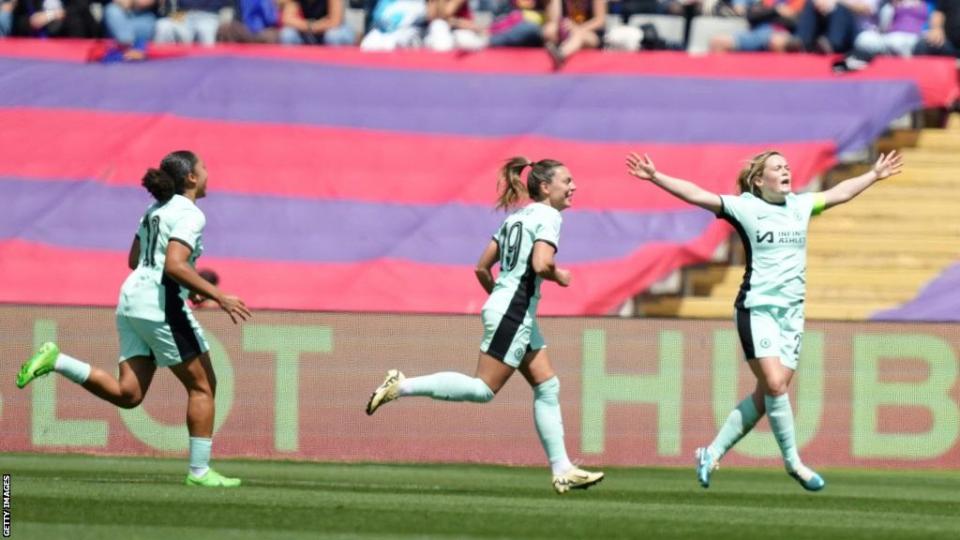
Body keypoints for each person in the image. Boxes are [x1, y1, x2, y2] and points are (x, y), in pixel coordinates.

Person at [625, 149, 903, 491]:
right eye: (777, 168)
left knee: (770, 391)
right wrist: (656, 176)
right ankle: (793, 463)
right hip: (757, 309)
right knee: (774, 385)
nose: (786, 171)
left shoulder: (800, 206)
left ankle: (710, 453)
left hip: (792, 313)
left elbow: (839, 193)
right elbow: (698, 195)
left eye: (787, 166)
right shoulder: (746, 207)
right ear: (759, 180)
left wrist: (873, 175)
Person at [365, 156, 604, 495]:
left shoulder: (516, 218)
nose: (573, 186)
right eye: (567, 181)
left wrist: (499, 300)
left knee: (547, 385)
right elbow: (541, 262)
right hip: (514, 311)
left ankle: (562, 468)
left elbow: (481, 268)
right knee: (483, 390)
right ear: (546, 187)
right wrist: (558, 275)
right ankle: (401, 385)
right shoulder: (549, 216)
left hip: (509, 308)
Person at [16, 150, 252, 488]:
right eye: (204, 168)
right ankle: (200, 472)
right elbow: (173, 265)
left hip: (131, 299)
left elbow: (134, 259)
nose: (208, 173)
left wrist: (190, 286)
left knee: (129, 394)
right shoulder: (190, 214)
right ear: (191, 178)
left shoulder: (154, 209)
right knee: (203, 386)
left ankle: (57, 360)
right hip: (158, 304)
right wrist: (218, 296)